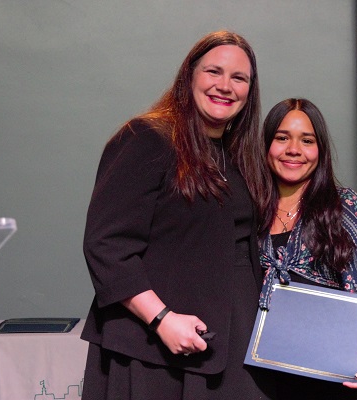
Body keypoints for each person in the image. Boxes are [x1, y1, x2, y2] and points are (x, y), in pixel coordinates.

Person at [80, 31, 276, 400]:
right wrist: (162, 319)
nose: (225, 86)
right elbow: (107, 246)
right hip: (155, 351)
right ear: (189, 75)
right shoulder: (146, 138)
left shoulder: (237, 156)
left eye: (239, 78)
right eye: (213, 72)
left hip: (231, 346)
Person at [258, 98, 357, 400]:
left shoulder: (342, 207)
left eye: (307, 140)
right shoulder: (247, 207)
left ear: (320, 149)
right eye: (282, 138)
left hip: (327, 384)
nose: (294, 150)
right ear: (265, 144)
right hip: (258, 380)